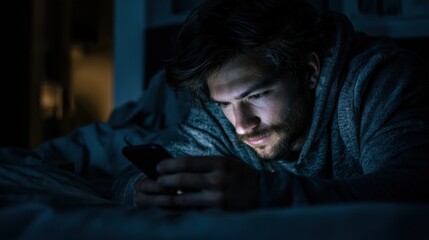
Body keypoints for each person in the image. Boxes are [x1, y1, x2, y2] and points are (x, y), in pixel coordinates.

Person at [113, 0, 429, 210]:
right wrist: (140, 189)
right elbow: (123, 178)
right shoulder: (219, 112)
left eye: (256, 95)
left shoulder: (378, 80)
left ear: (309, 72)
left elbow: (410, 190)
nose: (240, 124)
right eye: (225, 103)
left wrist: (266, 194)